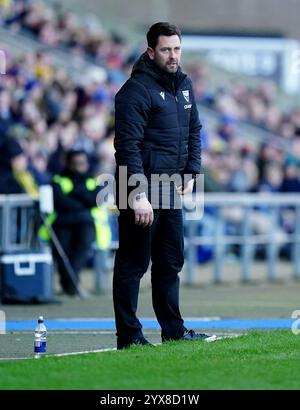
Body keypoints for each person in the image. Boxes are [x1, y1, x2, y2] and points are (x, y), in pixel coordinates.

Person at [113, 22, 215, 349]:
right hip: (139, 189)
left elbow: (194, 131)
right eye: (166, 49)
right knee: (133, 265)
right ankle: (129, 337)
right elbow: (126, 146)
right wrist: (138, 194)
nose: (173, 56)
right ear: (151, 51)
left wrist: (191, 171)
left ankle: (173, 330)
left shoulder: (184, 84)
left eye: (177, 49)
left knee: (171, 262)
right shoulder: (135, 91)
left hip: (171, 187)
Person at [47, 149, 111, 295]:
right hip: (63, 223)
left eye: (82, 163)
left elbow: (96, 199)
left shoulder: (91, 180)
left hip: (85, 223)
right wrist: (84, 199)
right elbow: (61, 202)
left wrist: (75, 193)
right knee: (63, 255)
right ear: (68, 164)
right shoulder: (58, 180)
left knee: (80, 254)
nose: (79, 167)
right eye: (75, 163)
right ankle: (70, 284)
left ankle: (70, 284)